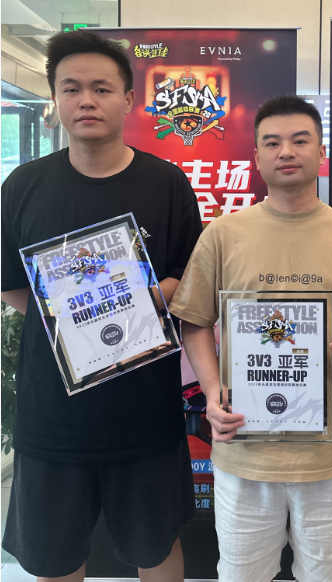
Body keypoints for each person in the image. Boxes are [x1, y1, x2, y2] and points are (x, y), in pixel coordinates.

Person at [1, 30, 201, 581]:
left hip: (145, 412)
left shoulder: (166, 182)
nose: (86, 100)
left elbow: (189, 277)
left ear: (128, 99)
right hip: (52, 416)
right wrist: (76, 327)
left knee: (155, 548)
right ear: (55, 100)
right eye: (71, 89)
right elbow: (12, 284)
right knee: (53, 558)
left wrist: (129, 309)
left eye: (101, 88)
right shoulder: (23, 185)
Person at [170, 95, 332, 582]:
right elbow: (195, 321)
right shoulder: (223, 234)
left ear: (321, 153)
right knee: (242, 574)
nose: (286, 151)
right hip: (244, 452)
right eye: (272, 142)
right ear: (256, 157)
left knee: (331, 576)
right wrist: (212, 392)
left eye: (300, 140)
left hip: (331, 456)